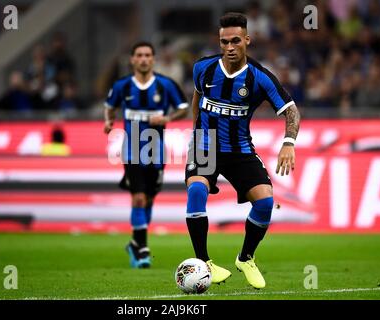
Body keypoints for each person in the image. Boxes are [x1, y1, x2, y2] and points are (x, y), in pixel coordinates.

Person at [185, 12, 300, 288]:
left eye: (236, 40)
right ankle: (204, 262)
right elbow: (197, 97)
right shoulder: (203, 68)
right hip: (206, 145)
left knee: (265, 202)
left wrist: (288, 143)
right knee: (197, 190)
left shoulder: (260, 78)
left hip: (239, 149)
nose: (229, 47)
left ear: (247, 40)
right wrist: (195, 133)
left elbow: (291, 111)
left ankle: (246, 257)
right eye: (224, 42)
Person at [104, 41, 188, 268]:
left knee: (149, 198)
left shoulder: (166, 85)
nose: (143, 59)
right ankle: (142, 249)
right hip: (131, 150)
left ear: (153, 59)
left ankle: (135, 242)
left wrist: (168, 119)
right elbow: (109, 105)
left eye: (147, 55)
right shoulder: (122, 86)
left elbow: (184, 108)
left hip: (156, 152)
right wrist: (108, 120)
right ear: (132, 59)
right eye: (139, 55)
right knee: (138, 197)